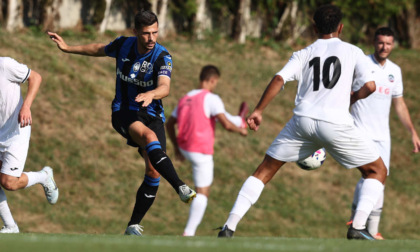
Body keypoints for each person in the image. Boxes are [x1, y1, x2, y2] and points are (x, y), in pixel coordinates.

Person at [217, 4, 388, 240]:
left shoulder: (303, 53)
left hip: (303, 122)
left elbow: (279, 78)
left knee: (264, 170)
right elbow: (370, 86)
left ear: (314, 27)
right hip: (336, 123)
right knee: (377, 170)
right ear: (341, 27)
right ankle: (357, 227)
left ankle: (229, 226)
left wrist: (258, 110)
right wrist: (353, 97)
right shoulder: (353, 51)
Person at [47, 10, 196, 236]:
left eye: (155, 32)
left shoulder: (162, 56)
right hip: (124, 111)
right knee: (149, 138)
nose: (151, 38)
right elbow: (99, 48)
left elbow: (165, 86)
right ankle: (181, 187)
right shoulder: (123, 45)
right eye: (146, 33)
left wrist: (152, 94)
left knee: (154, 171)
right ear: (135, 32)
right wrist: (68, 48)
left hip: (152, 113)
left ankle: (132, 225)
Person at [347, 27, 420, 240]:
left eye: (388, 43)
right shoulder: (361, 65)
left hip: (383, 136)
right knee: (370, 176)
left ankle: (370, 230)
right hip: (360, 131)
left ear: (393, 44)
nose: (384, 47)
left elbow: (399, 104)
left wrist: (413, 133)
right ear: (373, 42)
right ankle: (359, 225)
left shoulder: (394, 71)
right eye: (380, 43)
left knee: (379, 180)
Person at [166, 65, 248, 236]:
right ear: (212, 80)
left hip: (184, 146)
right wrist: (240, 131)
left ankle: (240, 120)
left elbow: (169, 123)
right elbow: (225, 124)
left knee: (218, 116)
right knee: (203, 193)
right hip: (200, 150)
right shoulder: (212, 98)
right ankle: (188, 232)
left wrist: (176, 149)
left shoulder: (185, 97)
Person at [0, 57, 59, 233]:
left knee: (9, 183)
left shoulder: (4, 65)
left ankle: (43, 176)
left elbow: (36, 77)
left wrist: (26, 106)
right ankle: (10, 226)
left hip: (17, 131)